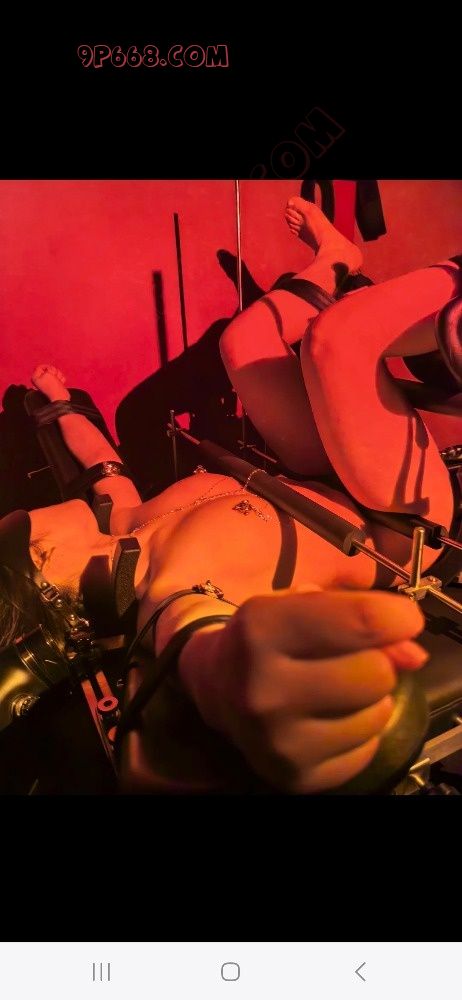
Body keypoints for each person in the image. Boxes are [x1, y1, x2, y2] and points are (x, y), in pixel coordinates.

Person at [1, 200, 460, 792]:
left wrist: (59, 406)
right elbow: (205, 654)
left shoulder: (118, 524)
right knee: (339, 340)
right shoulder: (173, 596)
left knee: (243, 342)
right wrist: (248, 690)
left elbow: (100, 465)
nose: (34, 513)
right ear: (45, 571)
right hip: (394, 525)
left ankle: (337, 259)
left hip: (311, 477)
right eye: (32, 532)